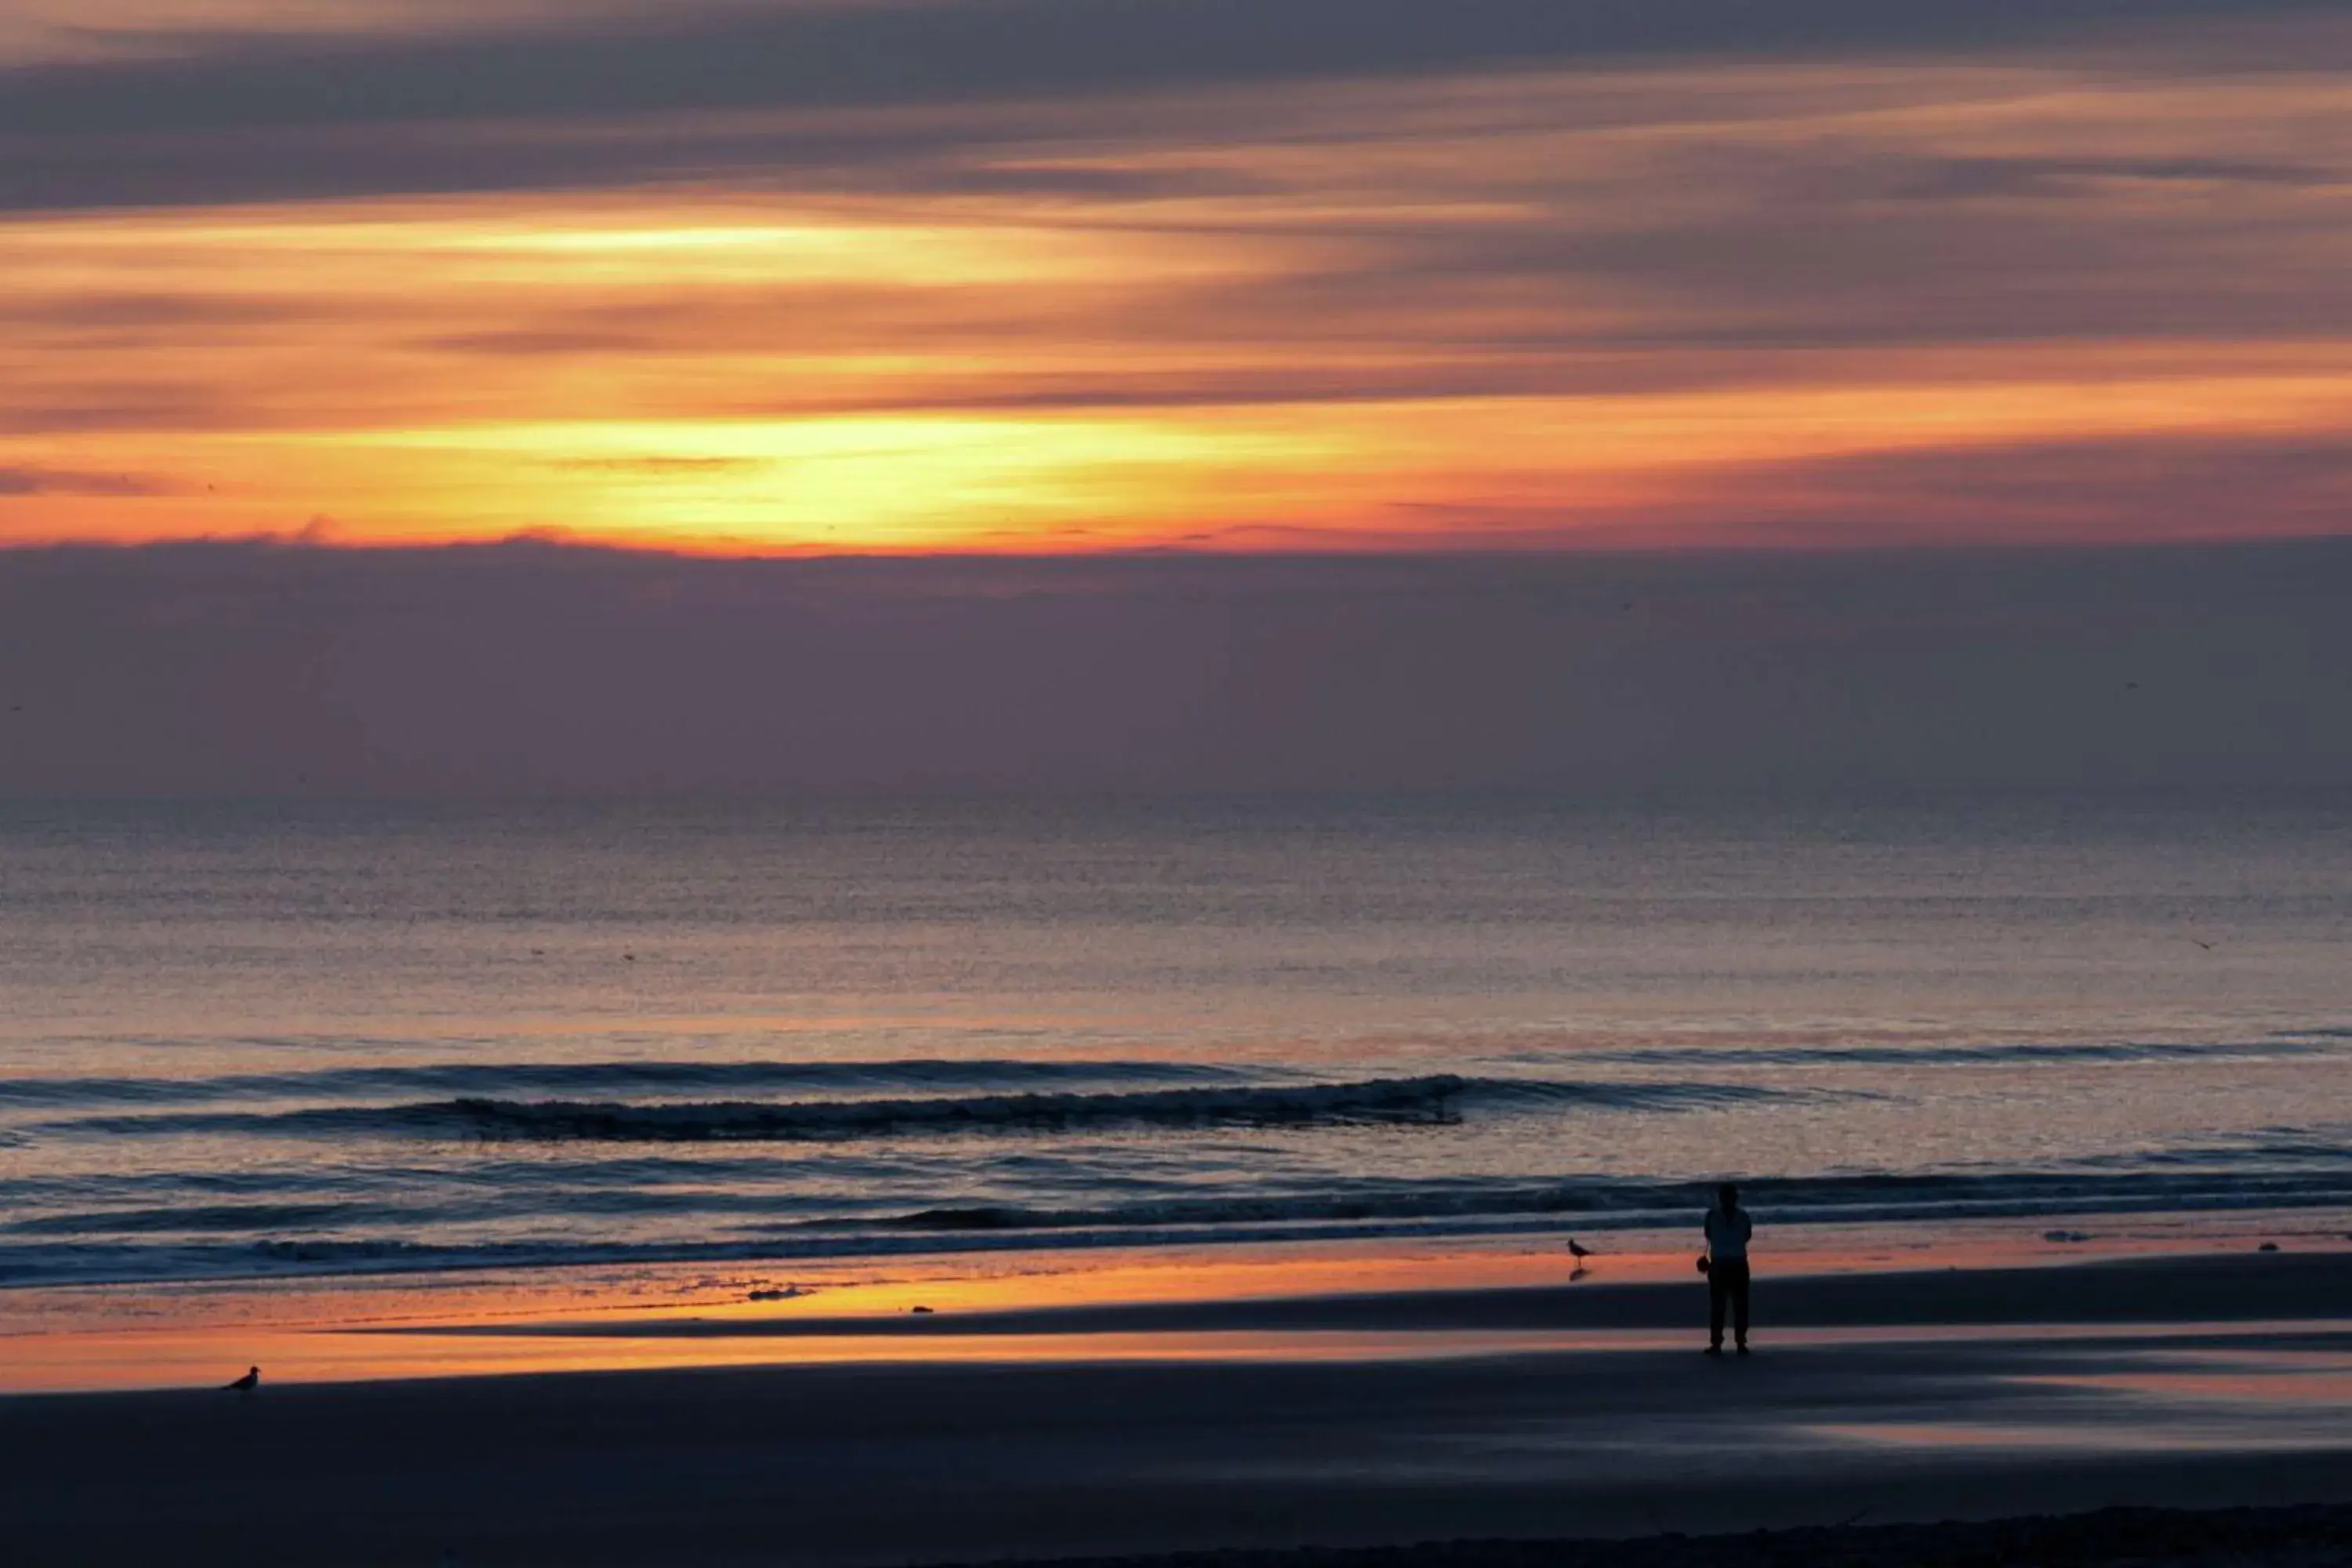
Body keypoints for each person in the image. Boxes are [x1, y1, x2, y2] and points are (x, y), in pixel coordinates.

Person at [1702, 1181, 1752, 1355]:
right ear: (1736, 1198)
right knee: (1740, 1305)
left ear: (1720, 1198)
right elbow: (1747, 1236)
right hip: (1737, 1262)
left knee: (1718, 1306)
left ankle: (1717, 1343)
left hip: (1720, 1263)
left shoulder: (1711, 1216)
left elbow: (1708, 1236)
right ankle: (1740, 1343)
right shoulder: (1743, 1216)